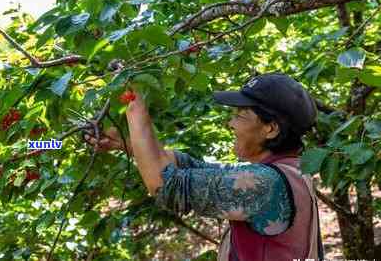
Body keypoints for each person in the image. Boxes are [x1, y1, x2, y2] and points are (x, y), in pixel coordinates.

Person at [84, 72, 324, 261]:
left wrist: (136, 108)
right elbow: (189, 167)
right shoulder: (290, 171)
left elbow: (166, 184)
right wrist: (130, 144)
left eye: (240, 115)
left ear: (270, 128)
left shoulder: (264, 184)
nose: (230, 123)